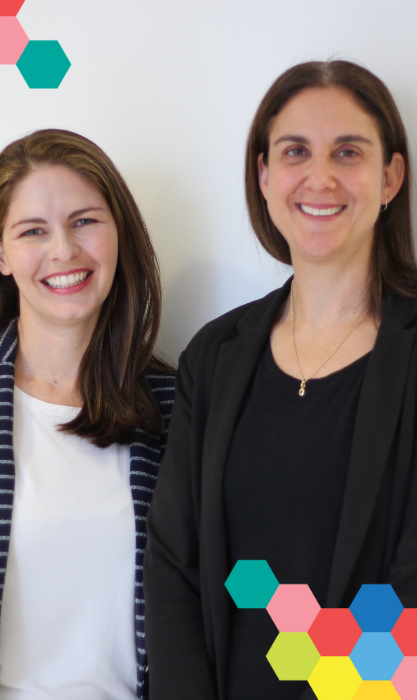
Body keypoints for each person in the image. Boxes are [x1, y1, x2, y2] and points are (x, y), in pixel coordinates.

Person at [144, 60, 417, 700]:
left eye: (348, 151)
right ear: (265, 176)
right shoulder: (214, 355)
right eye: (295, 151)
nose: (319, 177)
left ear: (390, 178)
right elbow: (173, 561)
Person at [0, 128, 175, 700]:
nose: (63, 250)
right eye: (34, 230)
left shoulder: (176, 405)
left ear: (119, 234)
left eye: (84, 221)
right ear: (0, 253)